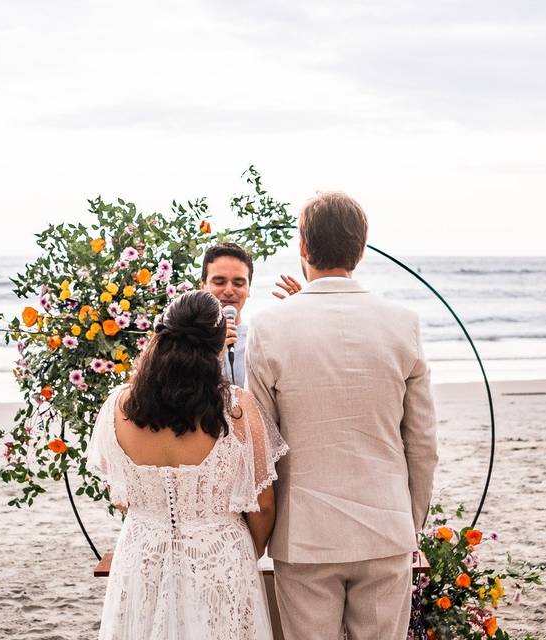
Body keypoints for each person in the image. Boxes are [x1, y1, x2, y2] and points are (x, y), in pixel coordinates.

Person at [245, 192, 438, 640]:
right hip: (386, 528)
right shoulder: (402, 323)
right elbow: (423, 444)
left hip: (304, 533)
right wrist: (409, 524)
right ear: (361, 249)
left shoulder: (271, 327)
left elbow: (260, 446)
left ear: (304, 248)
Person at [87, 290, 288, 640]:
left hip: (142, 554)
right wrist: (245, 553)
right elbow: (264, 504)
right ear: (218, 347)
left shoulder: (117, 406)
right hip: (220, 556)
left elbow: (119, 496)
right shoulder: (237, 409)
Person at [200, 242, 302, 387]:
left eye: (238, 283)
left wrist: (300, 325)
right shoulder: (183, 341)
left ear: (249, 289)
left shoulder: (261, 340)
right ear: (203, 286)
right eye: (219, 281)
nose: (229, 290)